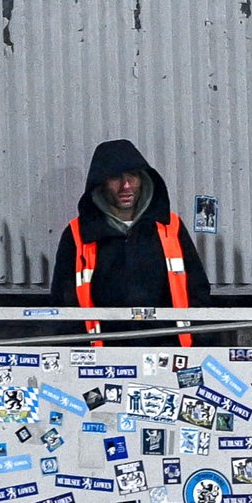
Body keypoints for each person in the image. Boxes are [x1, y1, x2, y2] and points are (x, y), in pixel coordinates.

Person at [52, 139, 211, 347]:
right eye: (116, 177)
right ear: (100, 183)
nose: (126, 185)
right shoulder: (77, 234)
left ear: (144, 179)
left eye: (133, 176)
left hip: (169, 351)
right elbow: (63, 303)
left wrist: (201, 346)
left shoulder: (170, 227)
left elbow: (197, 291)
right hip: (102, 354)